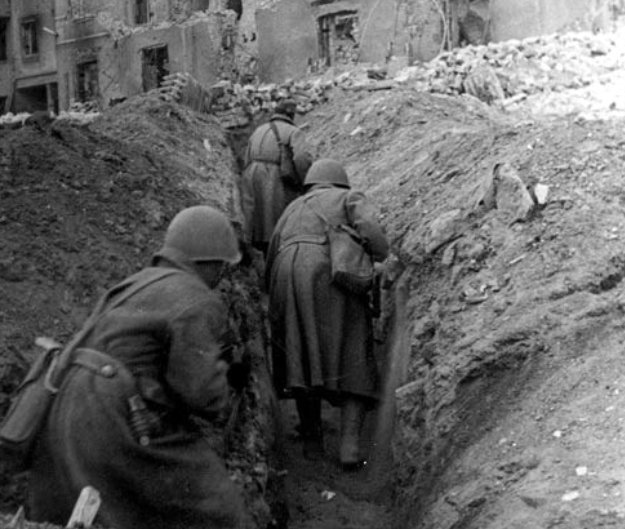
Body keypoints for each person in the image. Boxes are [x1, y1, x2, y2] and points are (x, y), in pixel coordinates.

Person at [27, 205, 250, 529]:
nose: (221, 278)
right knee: (218, 506)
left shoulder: (133, 284)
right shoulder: (196, 298)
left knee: (107, 515)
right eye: (222, 267)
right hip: (113, 412)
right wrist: (226, 385)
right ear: (209, 261)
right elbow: (200, 391)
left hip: (65, 405)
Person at [265, 159, 389, 470]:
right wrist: (382, 256)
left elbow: (271, 252)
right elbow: (371, 231)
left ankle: (312, 441)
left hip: (284, 275)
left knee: (300, 358)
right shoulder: (347, 197)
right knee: (353, 352)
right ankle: (349, 447)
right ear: (340, 181)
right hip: (329, 272)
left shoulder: (291, 208)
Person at [238, 99, 313, 257]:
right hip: (273, 177)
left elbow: (246, 156)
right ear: (291, 115)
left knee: (256, 221)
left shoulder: (258, 130)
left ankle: (254, 253)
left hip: (250, 175)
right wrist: (306, 182)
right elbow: (301, 158)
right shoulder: (293, 132)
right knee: (276, 222)